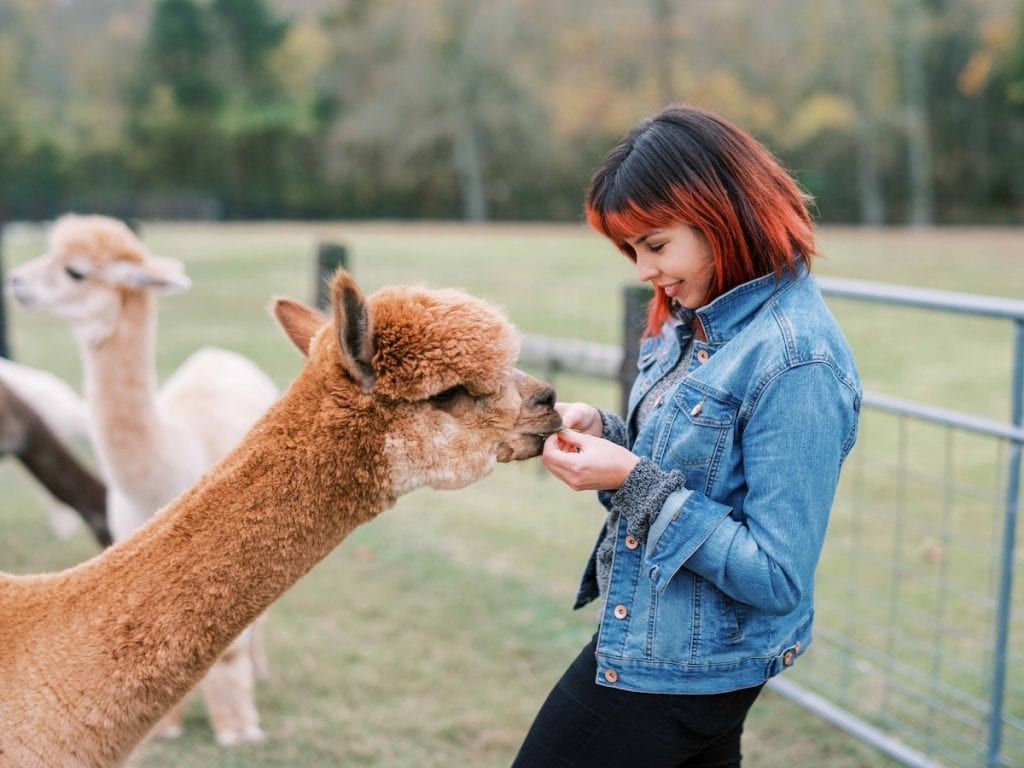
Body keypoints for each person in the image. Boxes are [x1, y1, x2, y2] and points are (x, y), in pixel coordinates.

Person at [511, 104, 862, 768]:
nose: (645, 270)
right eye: (633, 250)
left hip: (677, 670)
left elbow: (777, 573)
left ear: (719, 214)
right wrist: (609, 436)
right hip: (674, 652)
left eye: (655, 244)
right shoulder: (697, 317)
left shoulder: (796, 359)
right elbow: (697, 471)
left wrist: (628, 479)